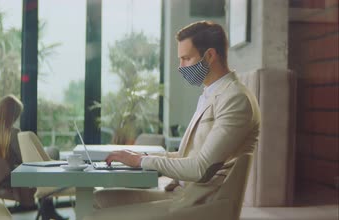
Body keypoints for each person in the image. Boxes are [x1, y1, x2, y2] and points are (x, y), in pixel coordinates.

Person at [89, 21, 261, 218]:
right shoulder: (210, 94)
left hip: (201, 204)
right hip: (181, 193)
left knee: (95, 217)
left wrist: (141, 161)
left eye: (186, 58)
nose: (181, 67)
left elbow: (199, 168)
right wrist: (137, 157)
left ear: (210, 55)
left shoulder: (235, 99)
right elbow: (186, 155)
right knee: (98, 199)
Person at [0, 95, 66, 220]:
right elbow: (25, 159)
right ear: (12, 115)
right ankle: (48, 209)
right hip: (18, 177)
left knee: (50, 155)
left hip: (3, 178)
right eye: (17, 114)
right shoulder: (13, 133)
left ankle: (47, 210)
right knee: (53, 152)